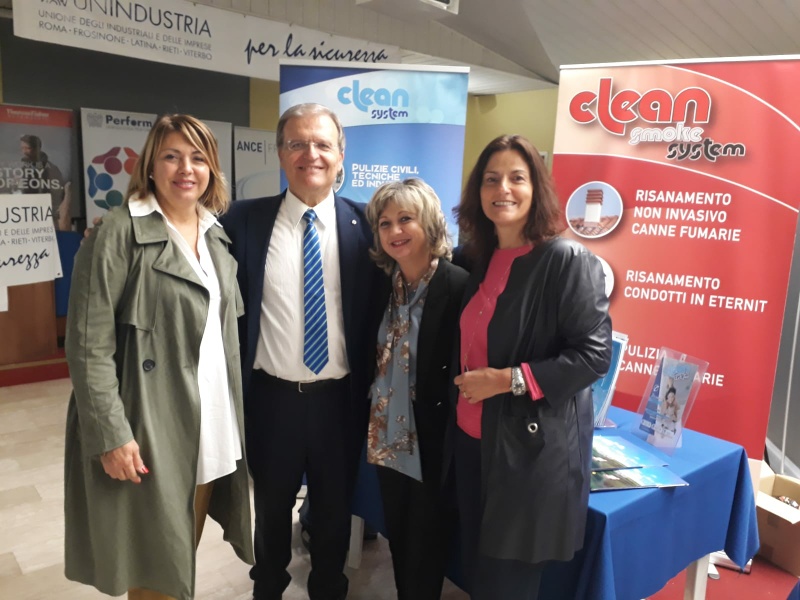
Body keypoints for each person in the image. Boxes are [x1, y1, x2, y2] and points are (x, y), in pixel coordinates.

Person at [63, 114, 254, 600]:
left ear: (212, 169)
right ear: (150, 165)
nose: (186, 169)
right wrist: (111, 433)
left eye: (198, 158)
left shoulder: (216, 236)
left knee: (179, 555)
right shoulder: (118, 233)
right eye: (172, 156)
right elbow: (87, 344)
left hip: (209, 422)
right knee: (154, 565)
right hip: (148, 426)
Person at [222, 103, 381, 600]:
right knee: (270, 512)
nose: (310, 154)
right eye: (296, 144)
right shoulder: (242, 221)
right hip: (272, 400)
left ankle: (329, 589)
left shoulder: (370, 226)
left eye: (322, 144)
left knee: (334, 513)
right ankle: (267, 588)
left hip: (340, 401)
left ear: (340, 156)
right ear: (280, 153)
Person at [450, 134, 612, 599]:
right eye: (491, 179)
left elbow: (593, 355)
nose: (503, 189)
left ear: (536, 188)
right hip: (471, 444)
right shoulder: (477, 258)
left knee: (507, 586)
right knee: (479, 577)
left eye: (516, 178)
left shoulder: (566, 261)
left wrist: (508, 380)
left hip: (525, 457)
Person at [364, 178, 467, 600]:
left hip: (431, 440)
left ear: (429, 223)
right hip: (387, 436)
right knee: (400, 540)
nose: (395, 231)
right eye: (385, 223)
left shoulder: (458, 286)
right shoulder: (382, 285)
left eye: (405, 219)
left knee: (427, 547)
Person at [19, 133, 72, 230]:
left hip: (46, 220)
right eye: (22, 148)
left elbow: (57, 195)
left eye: (28, 148)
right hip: (26, 217)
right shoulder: (24, 167)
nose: (24, 151)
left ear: (37, 149)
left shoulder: (51, 169)